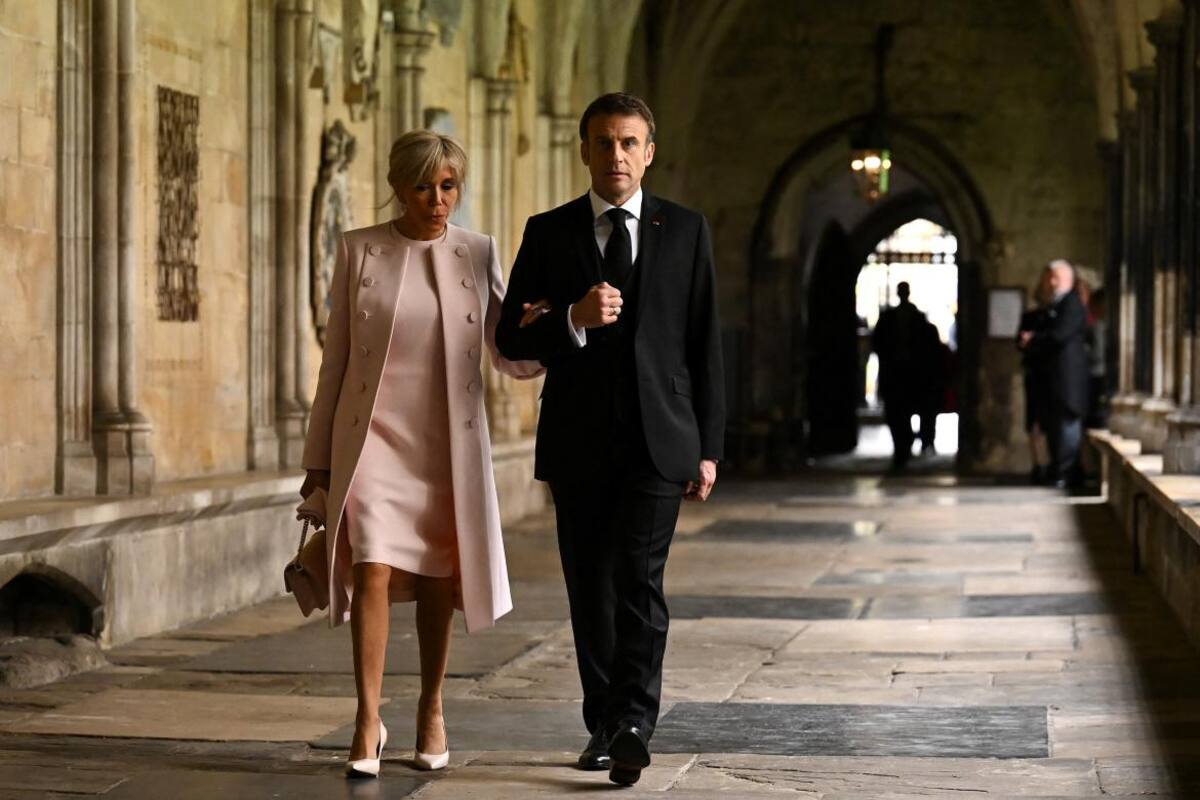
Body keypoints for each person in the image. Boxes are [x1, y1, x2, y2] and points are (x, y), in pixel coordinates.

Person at [495, 92, 725, 787]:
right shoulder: (549, 231)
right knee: (589, 585)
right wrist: (571, 316)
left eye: (629, 142)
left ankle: (633, 722)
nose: (616, 155)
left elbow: (704, 342)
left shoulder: (686, 229)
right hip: (578, 438)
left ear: (648, 153)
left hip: (661, 438)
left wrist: (708, 446)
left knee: (640, 581)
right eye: (603, 142)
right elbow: (510, 336)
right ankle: (603, 722)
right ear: (585, 151)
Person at [298, 131, 543, 779]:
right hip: (371, 439)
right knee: (371, 567)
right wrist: (318, 461)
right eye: (423, 187)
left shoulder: (477, 252)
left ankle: (431, 708)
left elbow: (508, 351)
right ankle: (366, 718)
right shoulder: (358, 249)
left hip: (445, 444)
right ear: (398, 187)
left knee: (438, 575)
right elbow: (335, 363)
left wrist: (558, 326)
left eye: (448, 186)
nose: (438, 199)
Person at [1019, 259, 1089, 489]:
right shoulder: (1056, 305)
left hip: (1068, 380)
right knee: (1055, 426)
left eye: (1055, 277)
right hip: (1056, 380)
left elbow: (1060, 335)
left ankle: (1065, 472)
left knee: (1067, 425)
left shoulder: (1071, 303)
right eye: (1049, 277)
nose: (1051, 282)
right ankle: (1059, 469)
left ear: (1067, 279)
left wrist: (1034, 339)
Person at [871, 282, 931, 471]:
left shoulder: (914, 319)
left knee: (901, 412)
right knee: (896, 413)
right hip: (897, 374)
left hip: (909, 374)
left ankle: (905, 444)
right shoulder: (892, 318)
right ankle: (902, 445)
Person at [1017, 271, 1053, 484]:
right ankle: (1038, 464)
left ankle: (1047, 463)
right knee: (1033, 422)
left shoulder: (1053, 318)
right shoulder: (1029, 317)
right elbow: (1019, 343)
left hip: (1050, 376)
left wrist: (1033, 340)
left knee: (1048, 422)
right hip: (1034, 374)